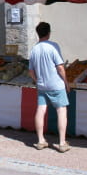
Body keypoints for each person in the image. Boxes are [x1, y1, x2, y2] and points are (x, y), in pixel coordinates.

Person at [28, 22, 71, 153]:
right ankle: (62, 142)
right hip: (56, 84)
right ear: (49, 33)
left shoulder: (34, 49)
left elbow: (30, 71)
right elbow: (60, 67)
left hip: (42, 85)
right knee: (61, 111)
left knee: (41, 110)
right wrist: (66, 83)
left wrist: (37, 80)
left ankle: (40, 140)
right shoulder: (53, 46)